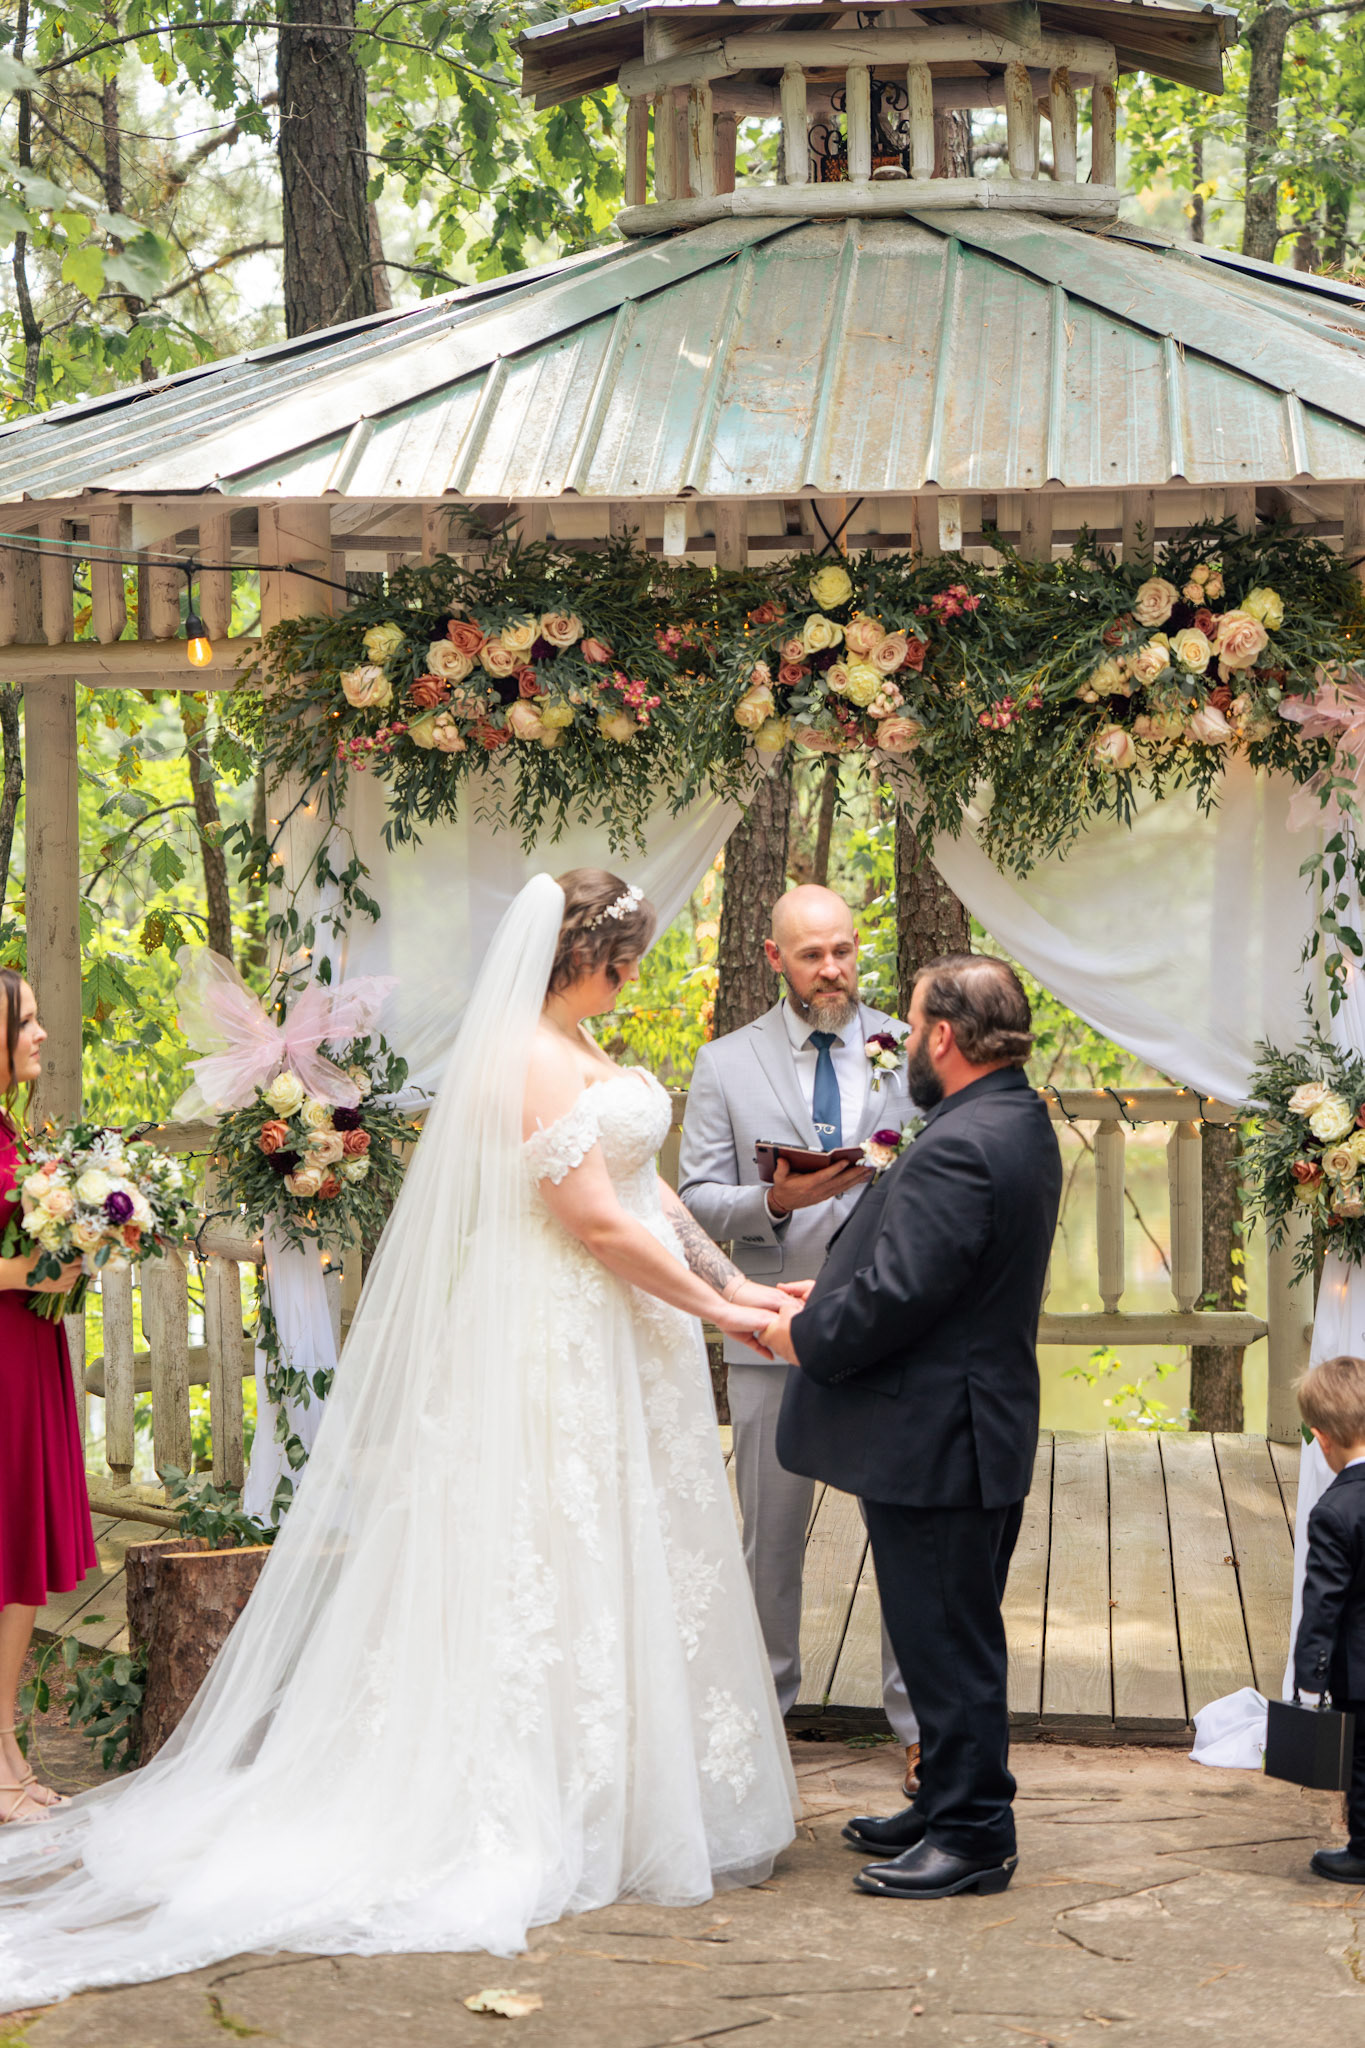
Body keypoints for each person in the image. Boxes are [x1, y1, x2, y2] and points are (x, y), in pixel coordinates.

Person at [0, 872, 798, 2003]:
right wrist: (723, 1313)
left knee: (620, 1546)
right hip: (553, 1333)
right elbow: (594, 1221)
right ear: (590, 957)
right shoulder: (526, 1058)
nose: (635, 977)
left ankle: (628, 1785)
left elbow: (648, 1194)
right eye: (627, 959)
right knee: (545, 1545)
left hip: (623, 1337)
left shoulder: (587, 1046)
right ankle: (537, 1791)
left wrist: (743, 1285)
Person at [762, 954, 1062, 1901]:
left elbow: (902, 1294)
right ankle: (943, 1800)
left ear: (940, 1035)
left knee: (947, 1640)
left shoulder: (966, 1141)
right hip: (961, 1419)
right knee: (938, 1628)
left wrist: (804, 1335)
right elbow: (939, 1274)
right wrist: (826, 1293)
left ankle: (972, 1834)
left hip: (942, 1433)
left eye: (914, 1025)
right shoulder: (1012, 1118)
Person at [678, 885, 922, 1785]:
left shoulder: (910, 1047)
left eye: (843, 951)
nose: (831, 971)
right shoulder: (724, 1063)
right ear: (773, 958)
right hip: (771, 1327)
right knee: (769, 1539)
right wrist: (774, 1199)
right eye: (812, 955)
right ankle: (759, 1724)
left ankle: (921, 1727)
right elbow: (694, 1198)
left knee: (906, 1539)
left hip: (889, 1328)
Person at [0, 969, 93, 1826]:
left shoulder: (12, 1128)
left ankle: (8, 1752)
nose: (40, 1033)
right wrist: (29, 1269)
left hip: (29, 1349)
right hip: (2, 1357)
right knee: (7, 1556)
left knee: (18, 1560)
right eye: (25, 1020)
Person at [1293, 1353, 1365, 1884]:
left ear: (1322, 1440)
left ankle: (1363, 1850)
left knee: (1362, 1762)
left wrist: (1310, 1680)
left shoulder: (1334, 1513)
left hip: (1360, 1672)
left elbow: (1323, 1605)